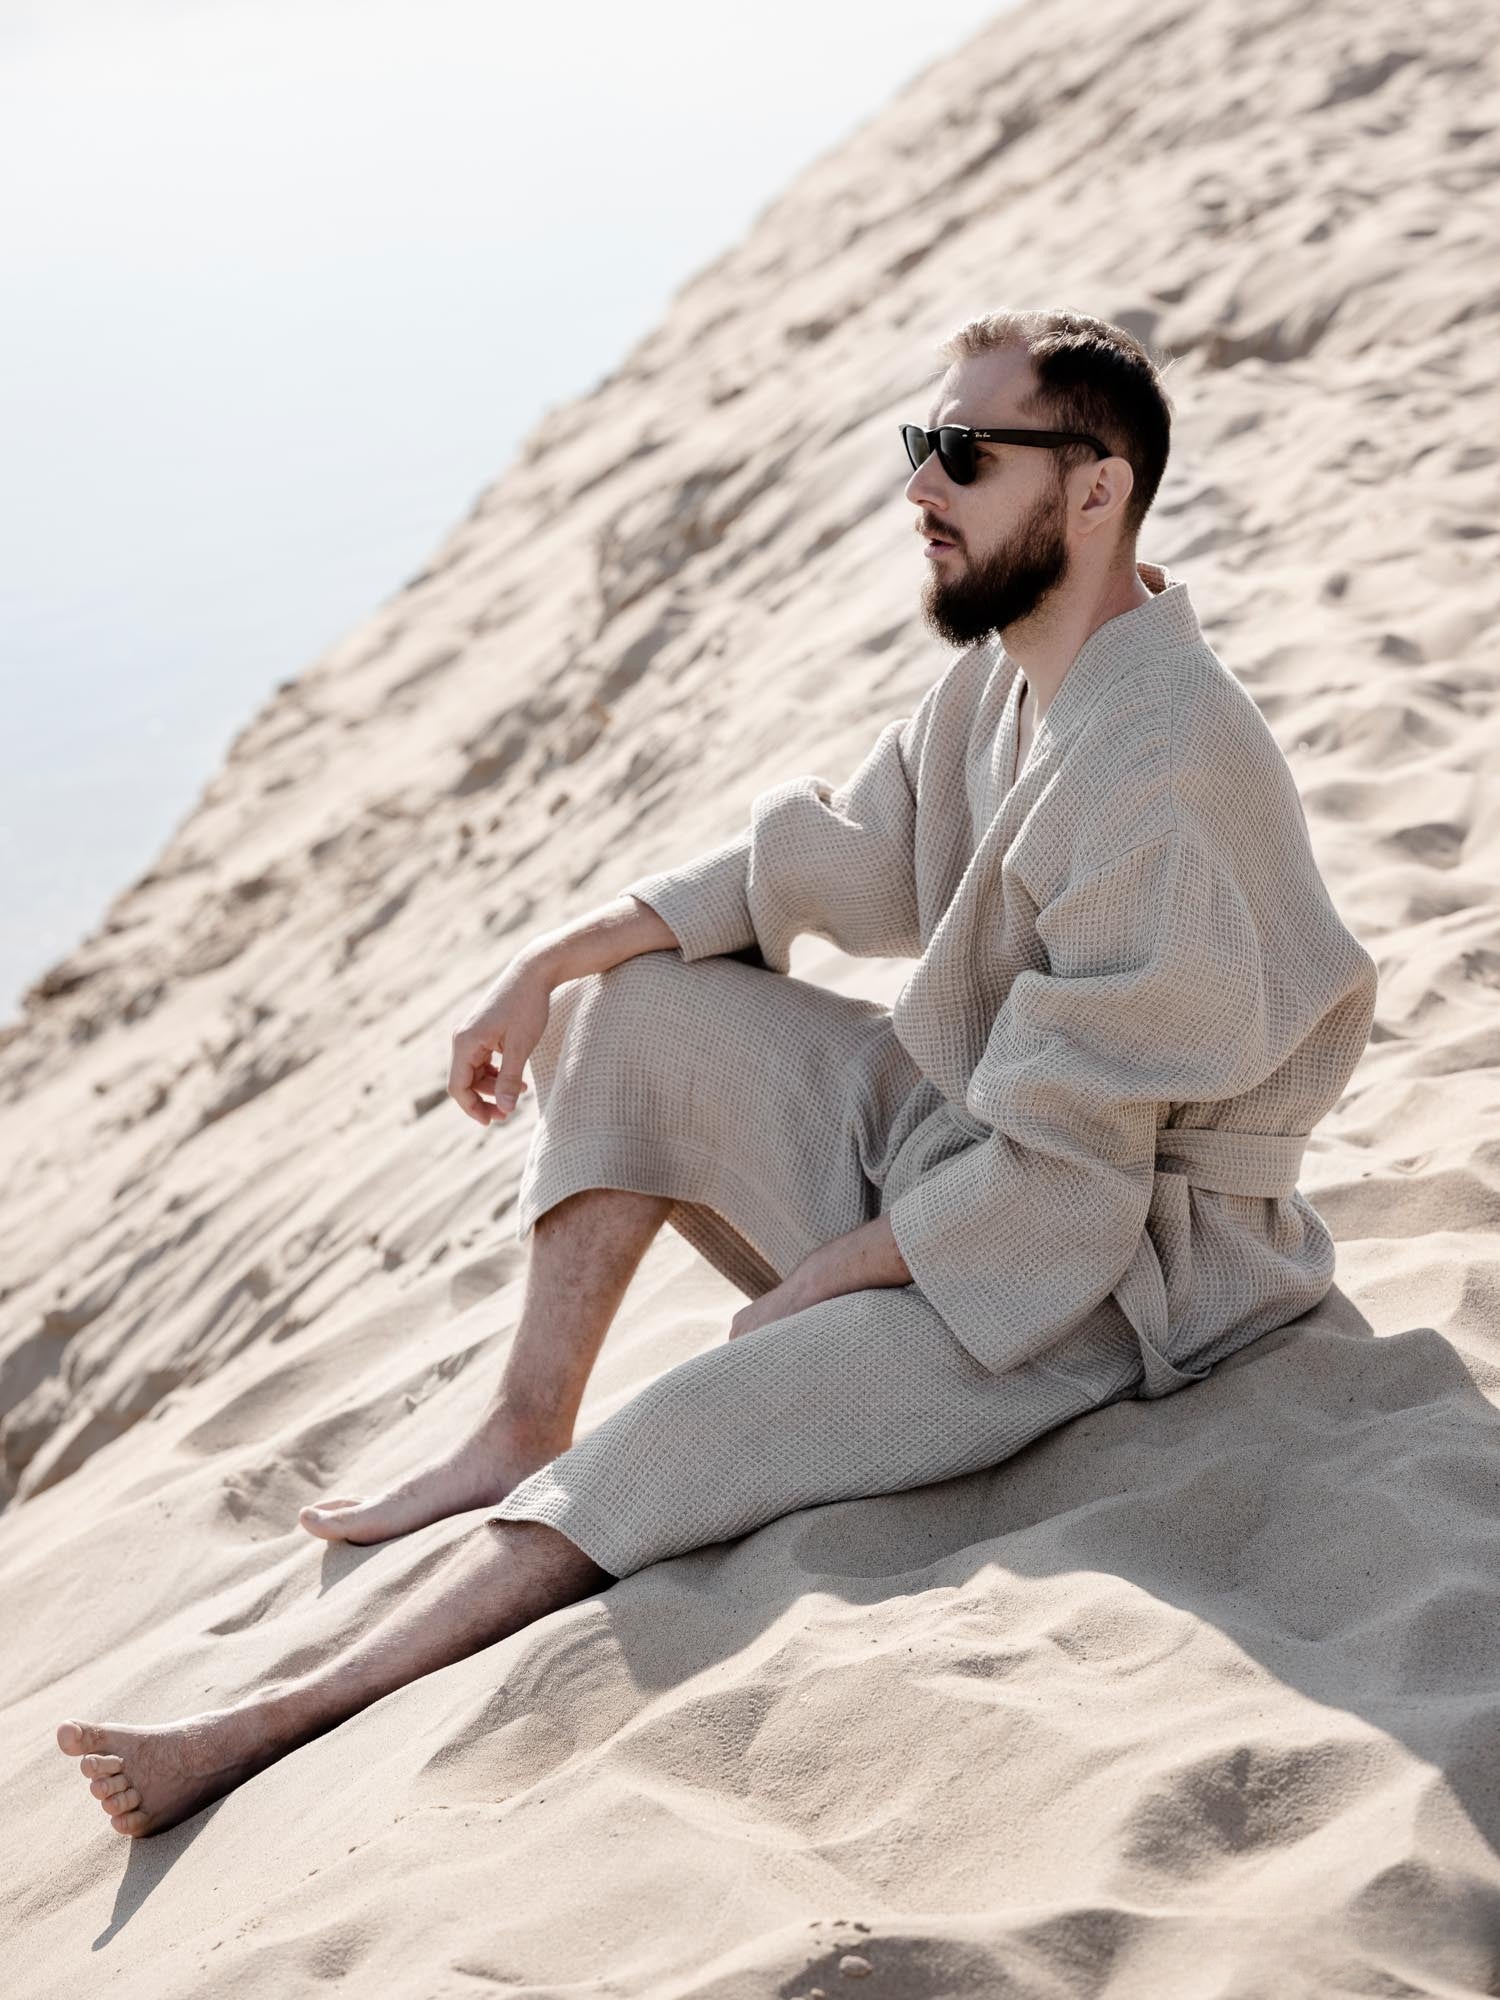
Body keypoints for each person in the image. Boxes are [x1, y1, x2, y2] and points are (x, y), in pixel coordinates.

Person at [58, 308, 1378, 1838]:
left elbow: (1075, 1180)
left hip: (1114, 1281)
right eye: (918, 446)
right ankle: (516, 1423)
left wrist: (841, 1279)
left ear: (1094, 493)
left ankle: (267, 1722)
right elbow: (828, 856)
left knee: (696, 1419)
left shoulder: (1159, 764)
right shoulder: (1008, 681)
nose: (920, 489)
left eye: (962, 453)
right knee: (633, 1018)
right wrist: (551, 959)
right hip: (974, 1155)